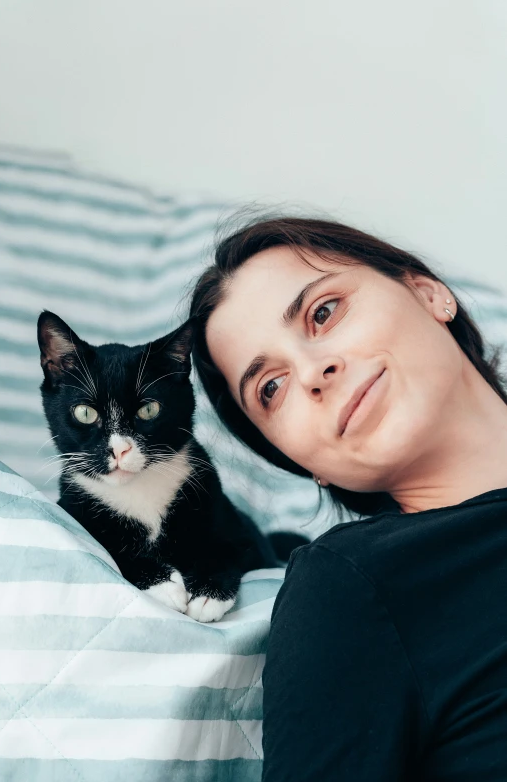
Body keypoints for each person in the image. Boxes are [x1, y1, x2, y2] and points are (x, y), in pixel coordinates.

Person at [189, 216, 507, 781]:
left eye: (324, 311)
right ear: (302, 464)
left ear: (428, 292)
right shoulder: (353, 586)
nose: (313, 372)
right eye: (271, 388)